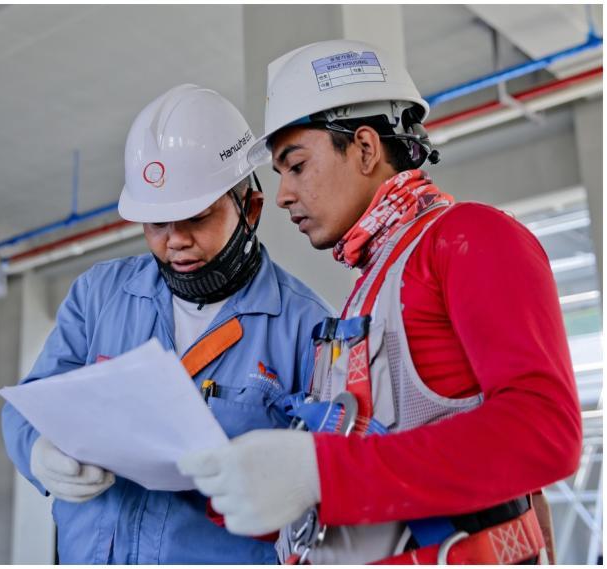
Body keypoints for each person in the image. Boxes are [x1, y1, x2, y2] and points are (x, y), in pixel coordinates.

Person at [178, 40, 582, 564]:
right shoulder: (371, 290)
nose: (282, 196)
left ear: (366, 148)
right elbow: (363, 473)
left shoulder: (469, 238)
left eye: (295, 166)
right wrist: (249, 483)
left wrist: (320, 472)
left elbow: (544, 433)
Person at [0, 84, 333, 564]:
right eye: (156, 223)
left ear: (251, 208)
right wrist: (38, 451)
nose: (175, 241)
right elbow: (32, 402)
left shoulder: (307, 328)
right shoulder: (98, 296)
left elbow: (327, 481)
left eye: (196, 218)